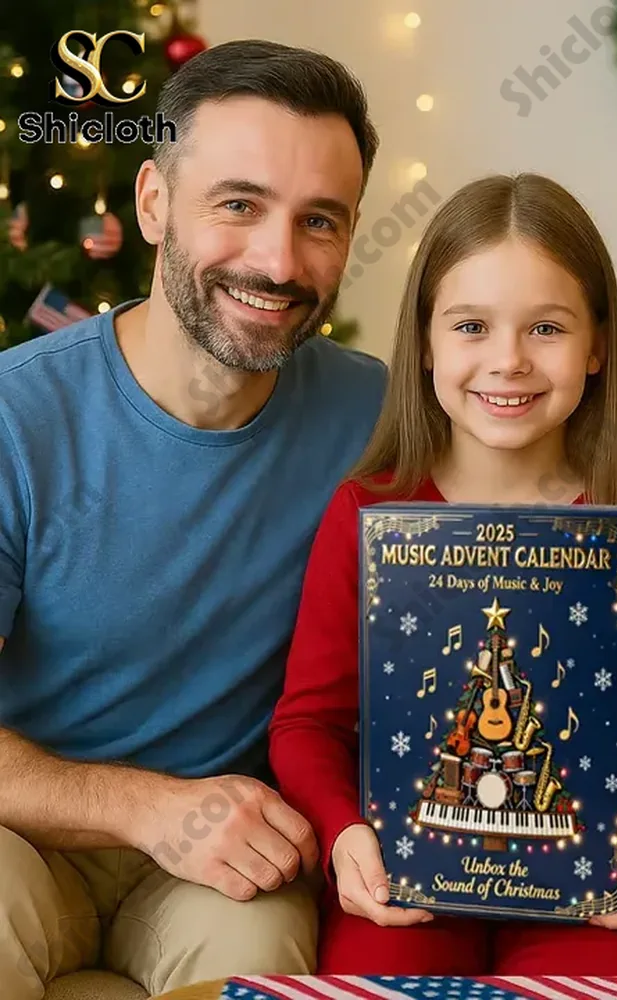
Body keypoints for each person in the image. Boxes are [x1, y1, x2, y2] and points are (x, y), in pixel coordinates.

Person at [268, 172, 617, 975]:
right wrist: (344, 833)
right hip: (404, 888)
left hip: (588, 890)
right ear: (424, 343)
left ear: (596, 346)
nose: (507, 361)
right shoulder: (367, 511)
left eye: (546, 327)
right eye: (472, 326)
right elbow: (308, 721)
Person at [0, 40, 387, 999]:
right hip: (23, 833)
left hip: (231, 859)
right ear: (153, 202)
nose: (278, 260)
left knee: (257, 965)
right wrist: (147, 807)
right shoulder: (15, 420)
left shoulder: (380, 419)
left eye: (320, 221)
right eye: (239, 204)